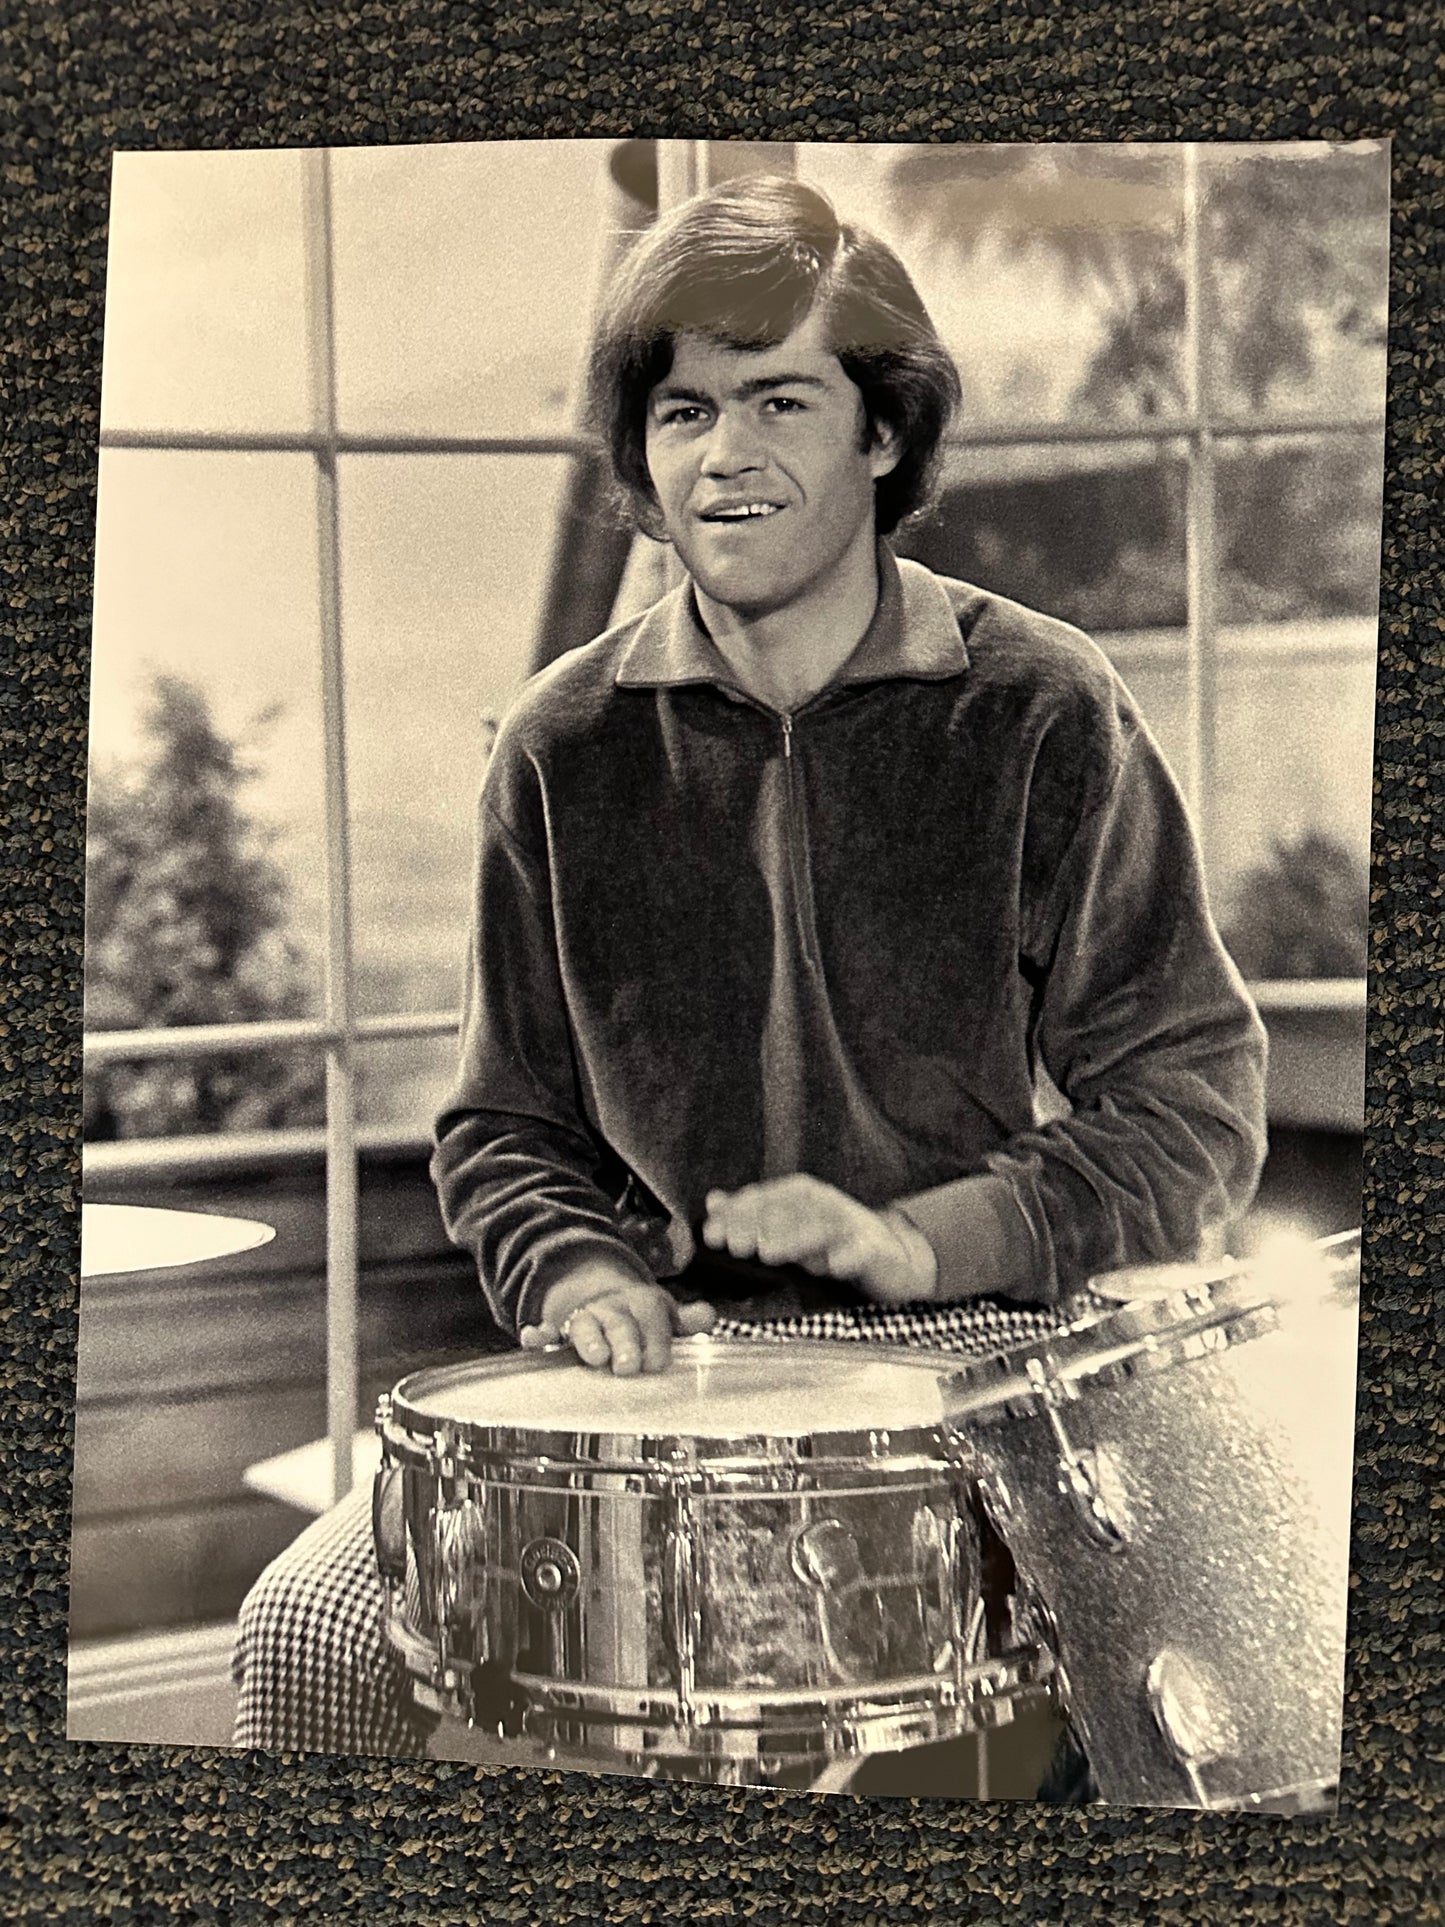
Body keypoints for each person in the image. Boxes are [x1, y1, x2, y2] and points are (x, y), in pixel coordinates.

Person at [233, 176, 1267, 1777]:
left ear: (878, 433)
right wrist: (578, 1276)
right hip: (671, 1376)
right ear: (641, 456)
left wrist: (927, 1242)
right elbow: (502, 1128)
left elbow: (1191, 1100)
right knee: (301, 1632)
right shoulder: (557, 746)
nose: (724, 456)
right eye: (683, 411)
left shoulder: (1040, 708)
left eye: (780, 400)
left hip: (981, 1352)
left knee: (1175, 1698)